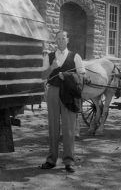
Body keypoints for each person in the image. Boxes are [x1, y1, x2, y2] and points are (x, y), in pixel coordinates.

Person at [40, 30, 87, 173]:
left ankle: (69, 161)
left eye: (63, 38)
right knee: (53, 127)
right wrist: (52, 68)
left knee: (69, 128)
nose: (61, 41)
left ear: (68, 40)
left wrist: (66, 75)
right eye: (58, 38)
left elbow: (81, 77)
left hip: (69, 93)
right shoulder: (49, 57)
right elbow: (42, 76)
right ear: (56, 41)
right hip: (53, 92)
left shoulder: (75, 56)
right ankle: (51, 160)